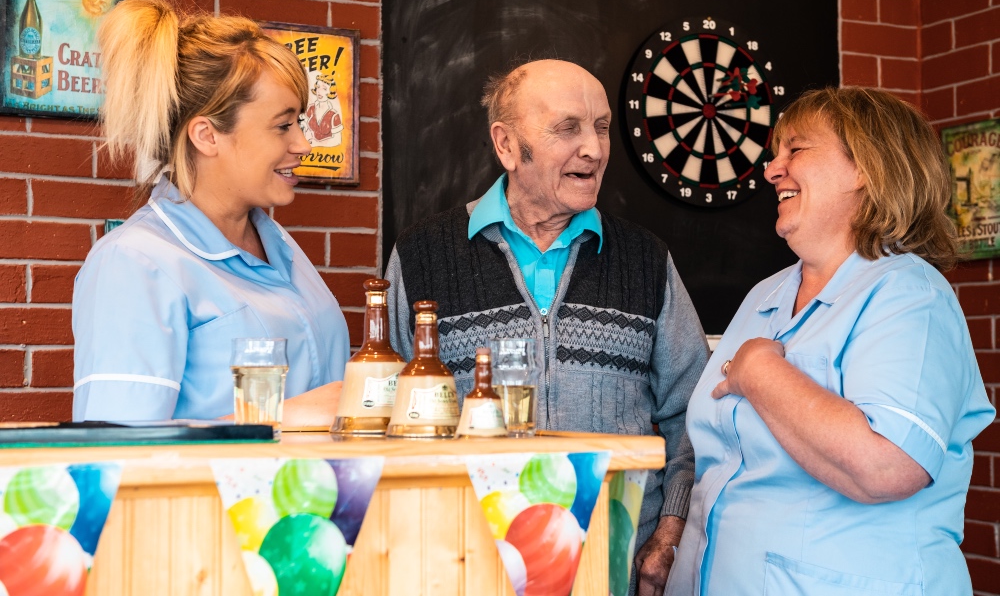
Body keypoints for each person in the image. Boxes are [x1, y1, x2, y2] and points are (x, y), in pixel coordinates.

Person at [385, 59, 709, 594]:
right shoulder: (423, 257)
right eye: (568, 128)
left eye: (602, 127)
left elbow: (693, 418)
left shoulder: (645, 260)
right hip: (467, 567)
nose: (596, 149)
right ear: (507, 145)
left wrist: (669, 535)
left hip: (615, 567)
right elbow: (391, 428)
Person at [665, 87, 995, 596]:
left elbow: (886, 465)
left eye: (795, 150)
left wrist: (760, 373)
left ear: (867, 166)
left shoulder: (911, 294)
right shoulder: (764, 296)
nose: (772, 170)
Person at [72, 0, 350, 423]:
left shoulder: (280, 247)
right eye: (283, 125)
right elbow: (117, 453)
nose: (303, 144)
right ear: (206, 136)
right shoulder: (133, 263)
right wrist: (292, 417)